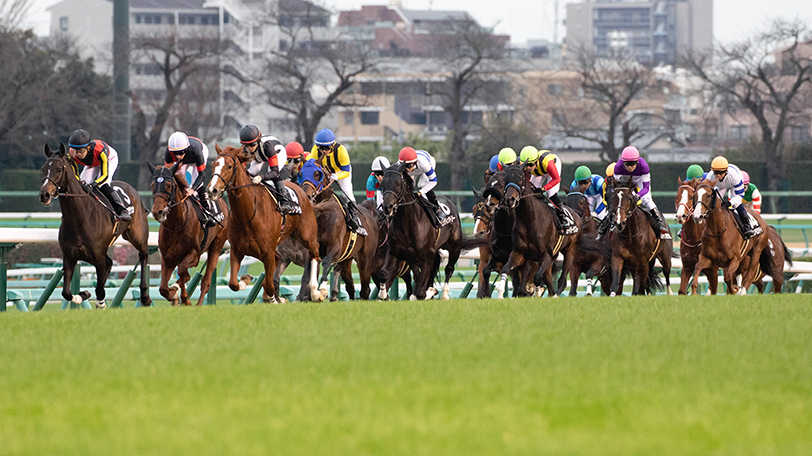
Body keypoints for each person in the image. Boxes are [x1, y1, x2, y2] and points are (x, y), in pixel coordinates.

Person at [310, 128, 366, 235]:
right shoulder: (314, 151)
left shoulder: (341, 151)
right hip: (325, 171)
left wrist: (337, 176)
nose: (323, 151)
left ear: (332, 145)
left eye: (326, 148)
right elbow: (313, 167)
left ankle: (355, 220)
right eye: (320, 148)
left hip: (341, 171)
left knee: (347, 193)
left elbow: (346, 172)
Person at [67, 129, 131, 221]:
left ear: (88, 147)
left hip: (109, 159)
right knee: (81, 186)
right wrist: (83, 183)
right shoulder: (71, 154)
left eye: (81, 151)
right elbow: (75, 174)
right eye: (75, 151)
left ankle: (122, 210)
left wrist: (93, 184)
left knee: (102, 185)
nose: (78, 154)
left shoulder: (100, 150)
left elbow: (104, 176)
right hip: (92, 163)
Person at [612, 146, 671, 240]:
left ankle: (659, 222)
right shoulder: (618, 167)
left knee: (646, 199)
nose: (630, 167)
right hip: (625, 180)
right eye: (627, 164)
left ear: (637, 162)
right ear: (623, 162)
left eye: (633, 164)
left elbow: (646, 188)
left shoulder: (644, 166)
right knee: (620, 199)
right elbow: (616, 186)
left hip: (639, 180)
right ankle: (610, 222)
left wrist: (637, 195)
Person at [240, 125, 298, 215]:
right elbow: (243, 169)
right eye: (246, 145)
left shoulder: (268, 146)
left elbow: (275, 172)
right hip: (260, 157)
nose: (250, 148)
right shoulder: (244, 149)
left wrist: (261, 177)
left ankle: (284, 201)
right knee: (250, 173)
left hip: (277, 153)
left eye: (252, 145)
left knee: (271, 173)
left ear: (258, 141)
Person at [519, 145, 577, 235]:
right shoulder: (524, 165)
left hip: (551, 167)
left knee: (551, 194)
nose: (528, 168)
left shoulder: (548, 163)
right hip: (539, 170)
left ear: (536, 161)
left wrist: (544, 188)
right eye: (525, 165)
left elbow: (557, 179)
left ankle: (564, 216)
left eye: (530, 165)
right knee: (532, 192)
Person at [164, 131, 216, 226]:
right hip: (187, 158)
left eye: (180, 153)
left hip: (200, 151)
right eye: (175, 153)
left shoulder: (196, 151)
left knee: (197, 184)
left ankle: (208, 212)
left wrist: (192, 189)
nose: (178, 156)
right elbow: (169, 175)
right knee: (178, 177)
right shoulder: (168, 153)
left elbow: (201, 174)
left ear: (186, 149)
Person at [709, 156, 759, 238]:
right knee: (714, 203)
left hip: (733, 185)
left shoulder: (735, 176)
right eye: (715, 172)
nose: (718, 175)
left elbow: (739, 195)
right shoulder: (710, 177)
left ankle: (747, 226)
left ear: (726, 171)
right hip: (720, 186)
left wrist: (730, 203)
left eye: (720, 173)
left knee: (737, 204)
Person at [398, 147, 449, 227]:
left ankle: (438, 209)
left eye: (409, 166)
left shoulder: (424, 164)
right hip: (416, 165)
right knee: (408, 184)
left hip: (429, 162)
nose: (407, 169)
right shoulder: (400, 165)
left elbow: (433, 181)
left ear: (414, 163)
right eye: (404, 166)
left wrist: (420, 192)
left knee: (422, 184)